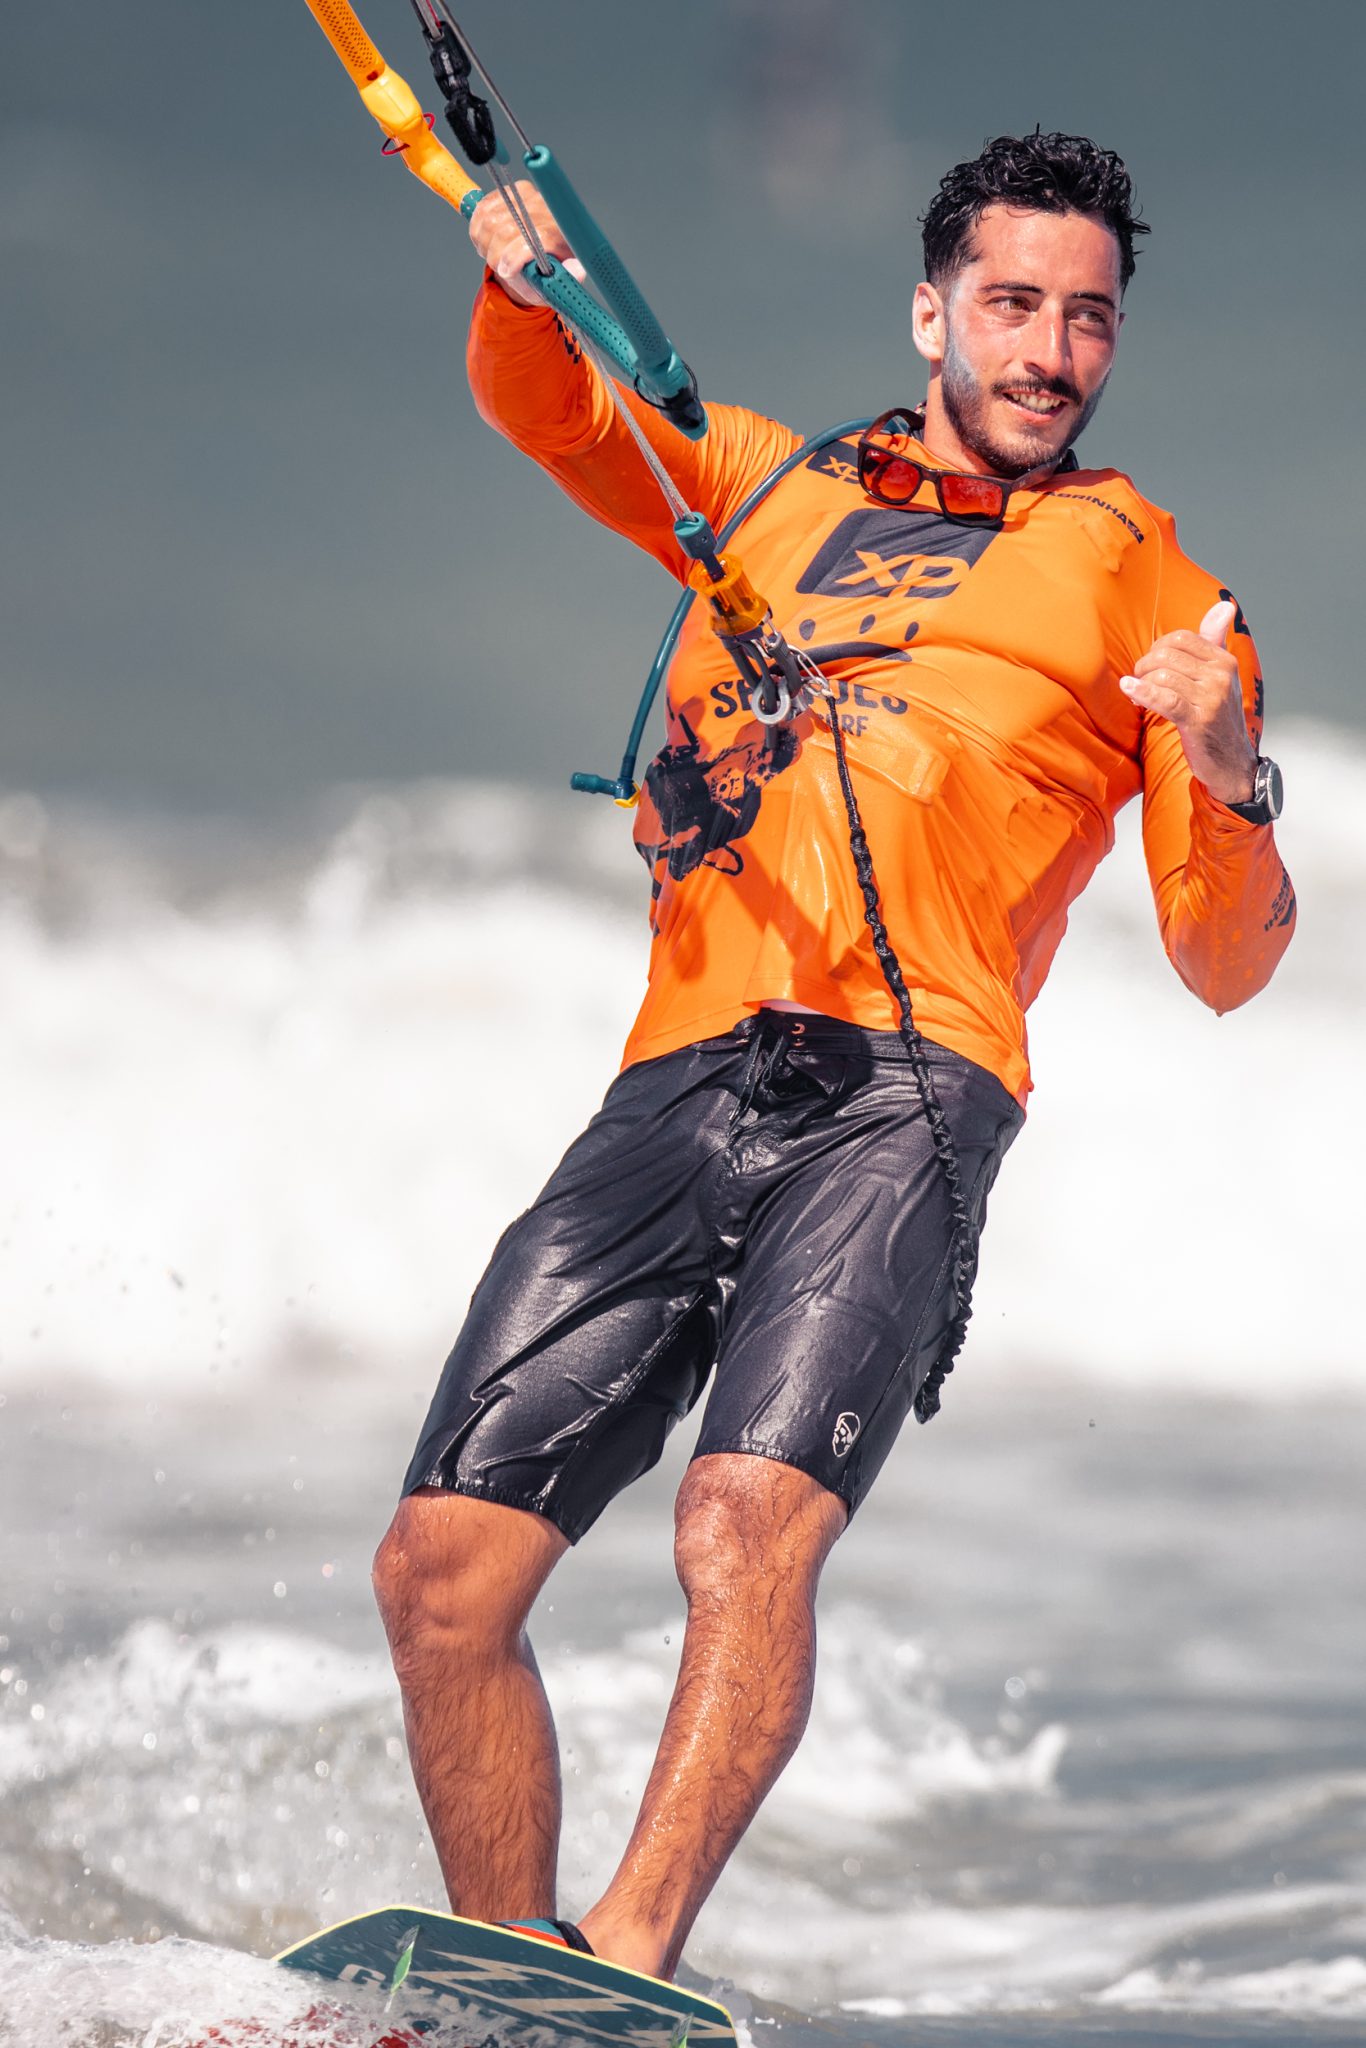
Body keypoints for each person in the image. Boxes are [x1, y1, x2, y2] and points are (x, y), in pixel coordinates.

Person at [372, 131, 1295, 1978]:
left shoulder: (1152, 589)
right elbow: (550, 406)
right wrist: (509, 263)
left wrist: (1226, 774)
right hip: (682, 1071)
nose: (1048, 351)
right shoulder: (756, 488)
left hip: (909, 1094)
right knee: (439, 1577)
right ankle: (514, 1989)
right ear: (931, 307)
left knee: (741, 1520)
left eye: (1087, 318)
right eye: (1015, 304)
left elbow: (1222, 960)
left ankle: (628, 1958)